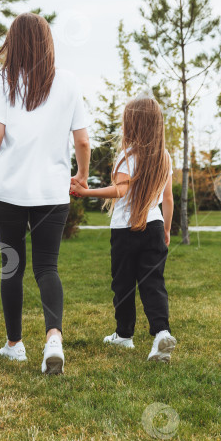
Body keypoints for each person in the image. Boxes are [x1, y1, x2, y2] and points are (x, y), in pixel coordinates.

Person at [0, 12, 91, 375]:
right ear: (47, 42)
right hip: (52, 192)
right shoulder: (68, 82)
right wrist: (82, 175)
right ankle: (53, 338)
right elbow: (83, 140)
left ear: (16, 43)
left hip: (8, 190)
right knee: (47, 267)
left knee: (13, 269)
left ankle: (15, 345)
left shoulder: (5, 80)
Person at [69, 95, 177, 362]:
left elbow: (120, 189)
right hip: (154, 227)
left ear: (132, 124)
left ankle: (124, 335)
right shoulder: (164, 157)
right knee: (154, 285)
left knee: (124, 285)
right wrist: (166, 229)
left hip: (125, 231)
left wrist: (87, 191)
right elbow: (169, 198)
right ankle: (161, 333)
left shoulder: (127, 157)